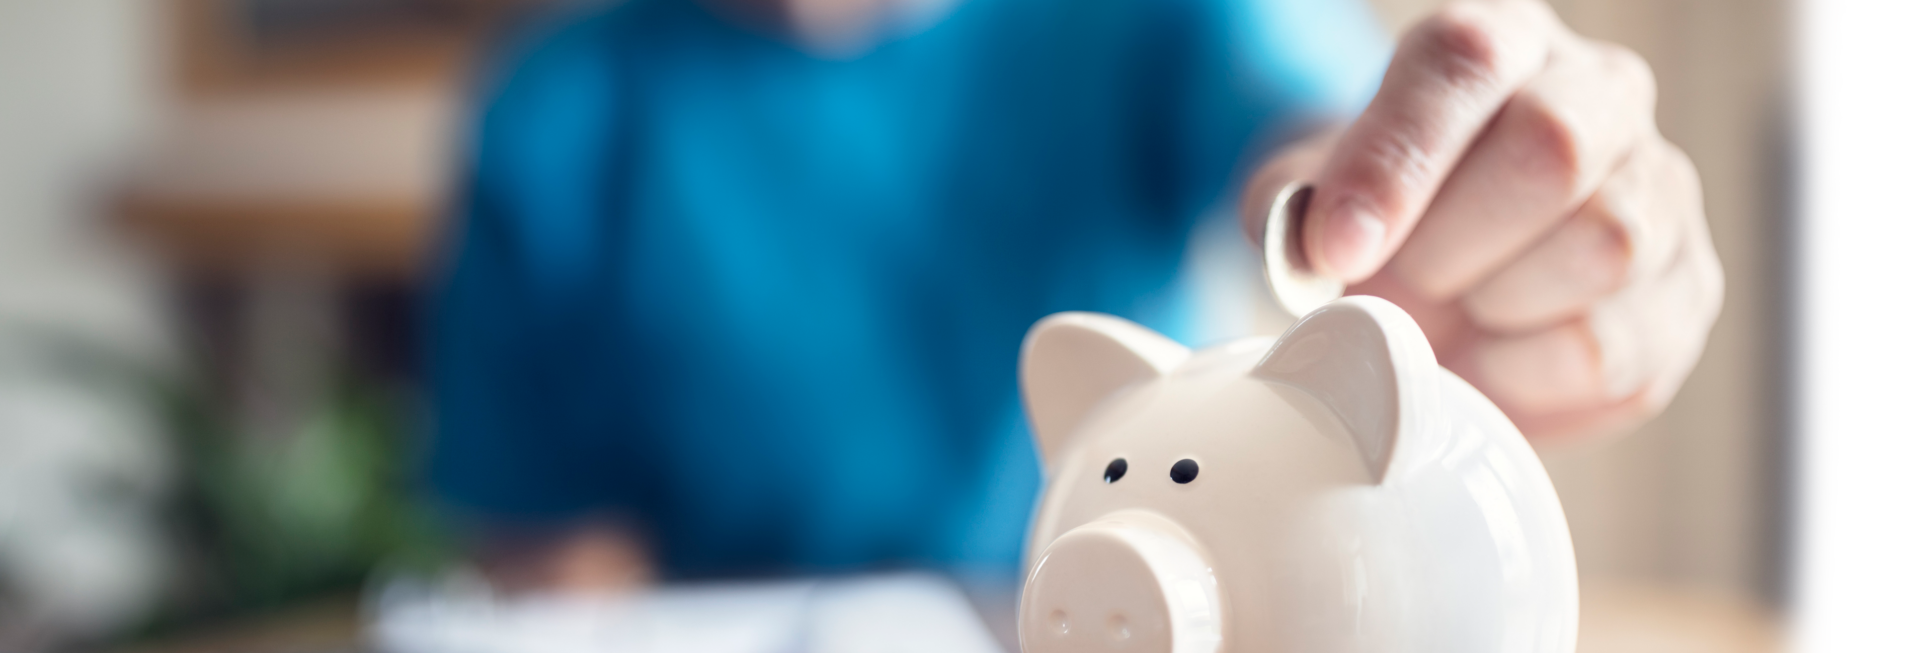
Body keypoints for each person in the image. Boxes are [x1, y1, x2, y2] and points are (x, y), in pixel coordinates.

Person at [426, 0, 1722, 590]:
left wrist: (1410, 196)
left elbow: (1306, 135)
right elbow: (552, 563)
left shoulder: (1156, 18)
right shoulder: (553, 105)